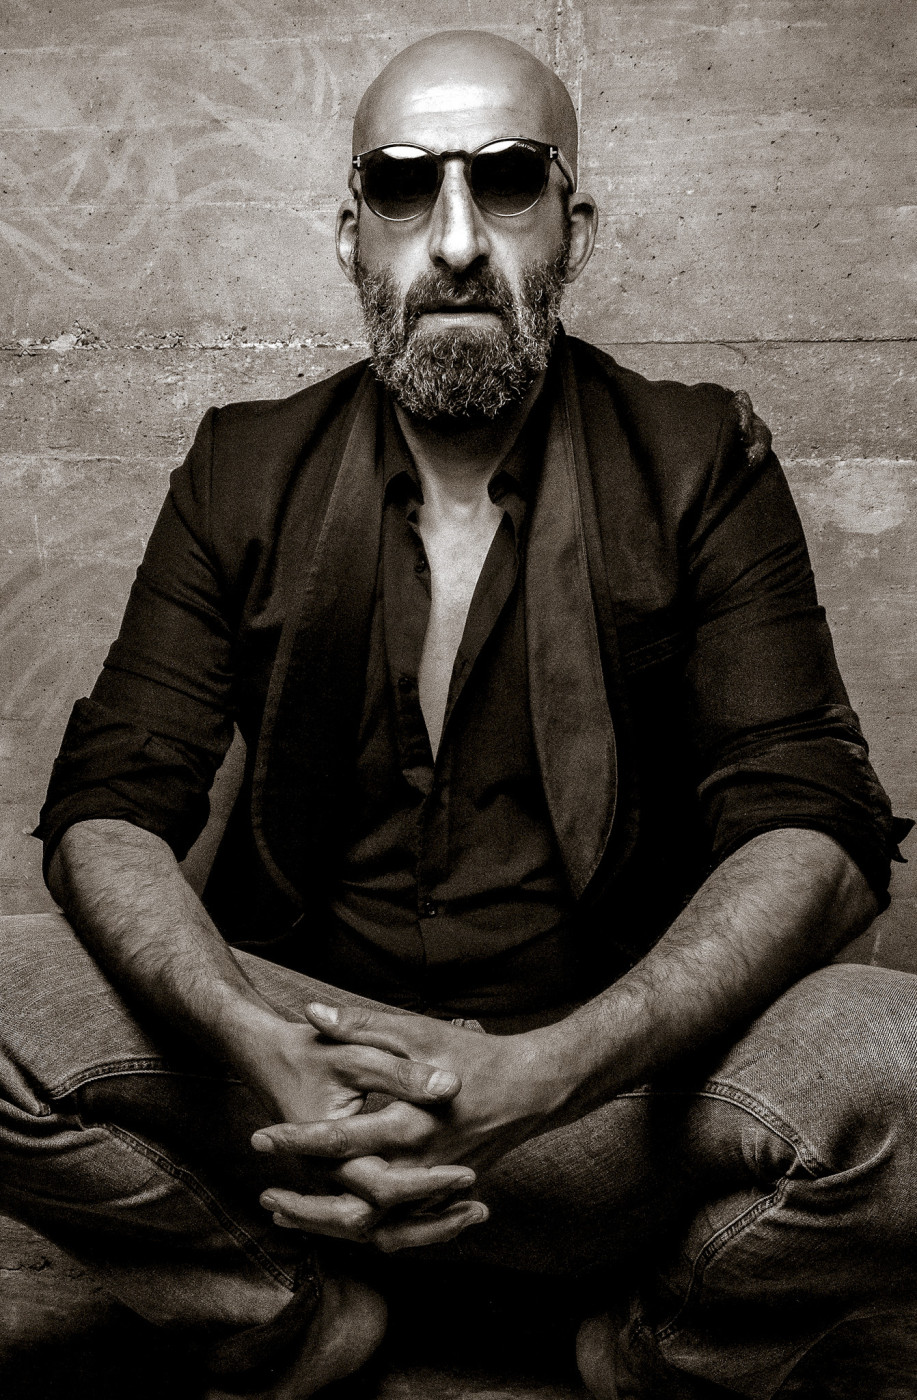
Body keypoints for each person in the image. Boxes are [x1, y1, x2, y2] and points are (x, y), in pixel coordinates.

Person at [3, 26, 915, 1400]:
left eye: (504, 180)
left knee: (906, 1066)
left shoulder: (698, 455)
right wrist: (256, 1048)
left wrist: (545, 1074)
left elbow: (818, 831)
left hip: (606, 1103)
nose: (453, 241)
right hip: (294, 1094)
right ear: (349, 236)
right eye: (401, 186)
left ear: (572, 228)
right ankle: (285, 1313)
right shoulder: (241, 465)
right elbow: (111, 810)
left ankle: (662, 1348)